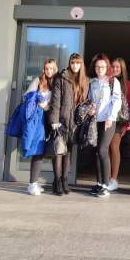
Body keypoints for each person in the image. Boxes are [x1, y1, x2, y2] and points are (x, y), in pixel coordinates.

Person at [49, 53, 88, 196]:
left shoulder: (84, 80)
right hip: (61, 121)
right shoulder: (61, 77)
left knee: (69, 152)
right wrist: (54, 120)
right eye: (73, 63)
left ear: (81, 64)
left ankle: (65, 180)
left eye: (78, 63)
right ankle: (57, 181)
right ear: (69, 64)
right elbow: (55, 101)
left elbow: (84, 102)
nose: (75, 65)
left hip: (75, 123)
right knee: (59, 151)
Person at [87, 53, 122, 198]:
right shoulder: (92, 82)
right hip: (95, 120)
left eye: (102, 66)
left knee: (102, 150)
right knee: (96, 152)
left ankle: (106, 186)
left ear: (107, 67)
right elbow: (90, 99)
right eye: (97, 67)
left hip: (108, 121)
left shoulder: (113, 81)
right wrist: (90, 108)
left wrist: (111, 117)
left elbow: (117, 101)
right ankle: (99, 183)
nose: (100, 69)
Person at [25, 59, 57, 196]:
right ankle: (32, 184)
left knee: (43, 152)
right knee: (37, 151)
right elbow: (27, 96)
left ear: (55, 69)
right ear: (44, 69)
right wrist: (39, 102)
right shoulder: (38, 81)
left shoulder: (57, 82)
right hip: (38, 120)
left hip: (50, 120)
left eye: (51, 68)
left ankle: (35, 181)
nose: (49, 71)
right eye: (47, 68)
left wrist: (48, 107)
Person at [106, 57, 130, 192]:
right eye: (113, 66)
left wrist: (126, 125)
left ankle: (113, 179)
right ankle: (106, 178)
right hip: (106, 119)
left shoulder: (128, 84)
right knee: (104, 148)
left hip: (119, 121)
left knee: (114, 148)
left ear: (122, 69)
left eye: (118, 67)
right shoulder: (107, 81)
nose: (115, 69)